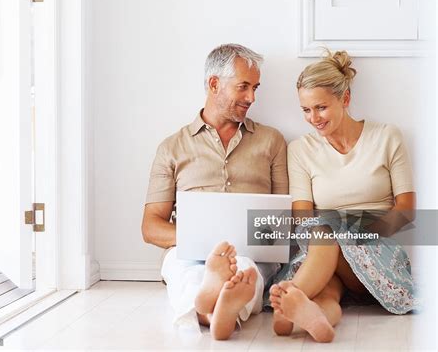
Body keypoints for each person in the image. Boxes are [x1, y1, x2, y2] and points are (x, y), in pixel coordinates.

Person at [268, 49, 417, 343]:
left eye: (320, 107)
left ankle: (287, 302)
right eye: (306, 110)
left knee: (327, 236)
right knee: (326, 288)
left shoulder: (387, 136)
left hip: (376, 249)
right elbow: (302, 218)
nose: (313, 118)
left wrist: (355, 236)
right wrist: (334, 234)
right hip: (324, 251)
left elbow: (406, 209)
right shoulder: (300, 150)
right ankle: (315, 316)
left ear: (345, 99)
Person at [141, 44, 288, 340]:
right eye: (243, 87)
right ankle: (216, 309)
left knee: (245, 269)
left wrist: (247, 241)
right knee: (184, 269)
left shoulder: (271, 141)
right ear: (214, 84)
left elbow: (283, 219)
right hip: (188, 252)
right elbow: (151, 227)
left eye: (255, 88)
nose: (252, 97)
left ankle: (209, 309)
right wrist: (203, 243)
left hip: (252, 250)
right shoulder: (172, 148)